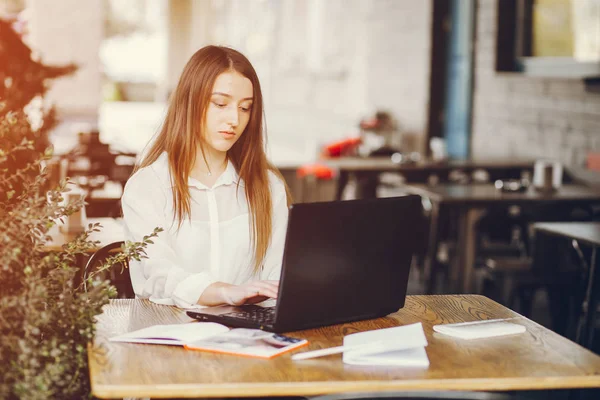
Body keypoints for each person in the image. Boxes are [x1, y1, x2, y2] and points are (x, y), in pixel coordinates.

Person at [121, 46, 291, 308]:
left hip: (248, 334)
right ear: (190, 101)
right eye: (220, 104)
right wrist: (224, 292)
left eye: (245, 108)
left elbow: (280, 275)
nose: (234, 119)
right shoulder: (148, 186)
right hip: (167, 333)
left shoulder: (268, 186)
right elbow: (158, 274)